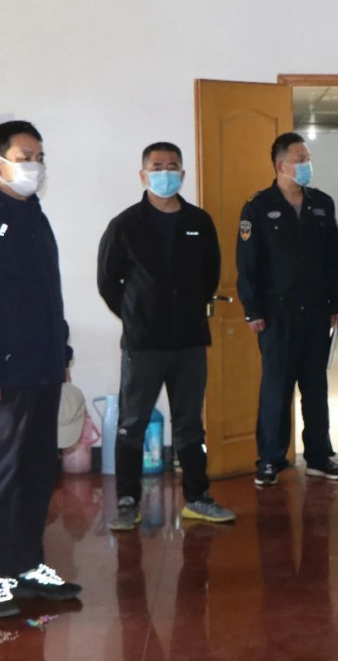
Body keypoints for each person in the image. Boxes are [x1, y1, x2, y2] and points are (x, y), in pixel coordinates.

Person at [0, 120, 81, 618]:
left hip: (43, 366)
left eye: (39, 157)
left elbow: (50, 292)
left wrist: (61, 353)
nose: (35, 166)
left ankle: (26, 564)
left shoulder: (34, 216)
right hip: (0, 376)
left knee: (37, 471)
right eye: (26, 157)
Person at [97, 142, 232, 531]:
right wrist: (136, 316)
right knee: (132, 422)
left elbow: (210, 275)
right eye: (157, 166)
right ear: (144, 175)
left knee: (190, 424)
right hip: (143, 344)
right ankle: (127, 503)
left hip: (190, 341)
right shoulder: (125, 225)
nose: (165, 172)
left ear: (183, 174)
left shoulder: (199, 222)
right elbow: (108, 281)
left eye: (172, 166)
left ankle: (198, 498)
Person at [236, 132, 338, 487]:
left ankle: (319, 456)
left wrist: (337, 302)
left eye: (307, 159)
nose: (306, 166)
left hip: (316, 312)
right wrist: (252, 309)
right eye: (300, 160)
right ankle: (270, 459)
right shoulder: (257, 207)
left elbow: (333, 258)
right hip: (276, 314)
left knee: (315, 387)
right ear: (280, 165)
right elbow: (247, 263)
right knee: (277, 388)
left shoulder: (322, 204)